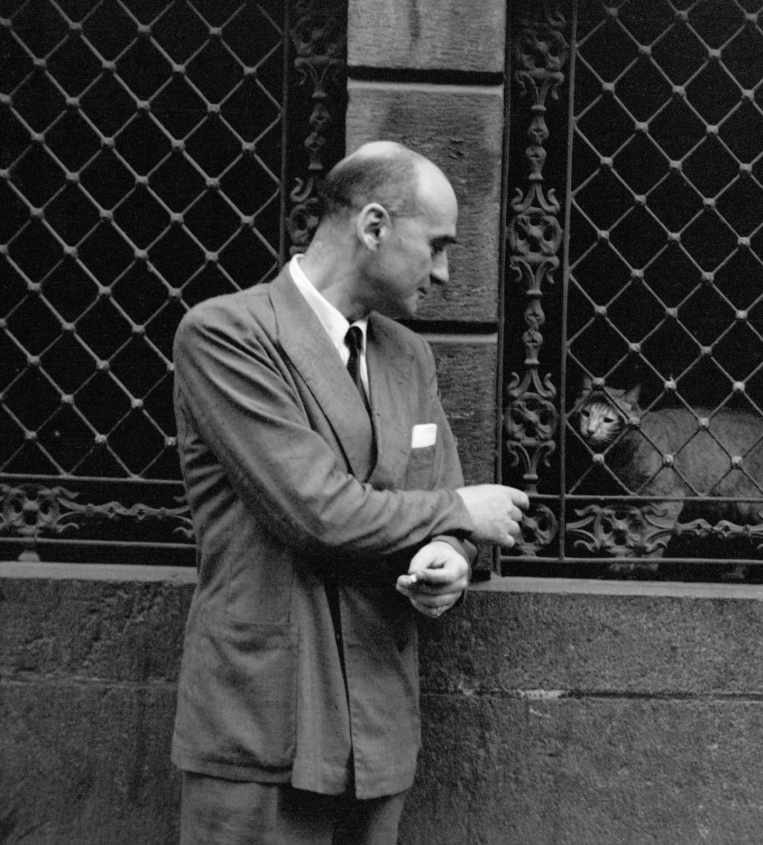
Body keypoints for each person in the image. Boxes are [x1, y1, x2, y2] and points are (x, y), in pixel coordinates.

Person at [170, 140, 528, 844]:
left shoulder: (408, 355)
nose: (445, 273)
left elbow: (440, 496)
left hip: (377, 722)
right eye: (437, 246)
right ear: (373, 226)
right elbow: (318, 512)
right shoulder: (227, 334)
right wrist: (462, 512)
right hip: (266, 721)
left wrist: (451, 558)